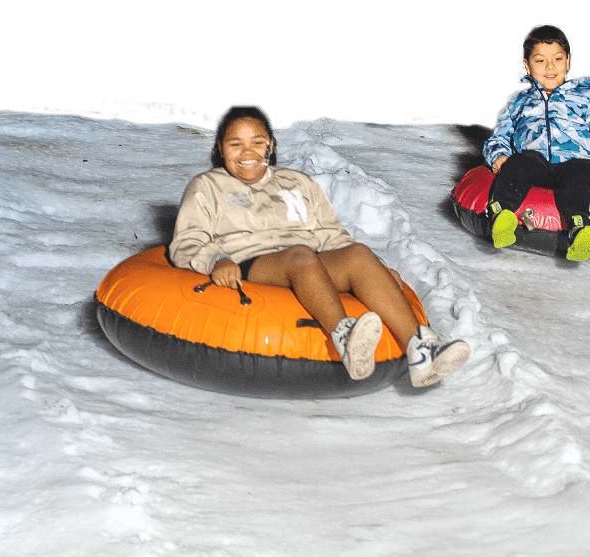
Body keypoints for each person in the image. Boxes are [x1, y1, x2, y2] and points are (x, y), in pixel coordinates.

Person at [169, 104, 469, 387]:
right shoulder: (206, 186)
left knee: (359, 254)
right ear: (221, 148)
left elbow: (332, 236)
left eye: (257, 142)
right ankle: (347, 338)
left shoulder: (297, 183)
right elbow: (186, 241)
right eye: (235, 144)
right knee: (300, 256)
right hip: (250, 264)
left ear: (270, 146)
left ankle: (420, 351)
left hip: (307, 264)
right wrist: (215, 260)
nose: (247, 152)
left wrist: (373, 271)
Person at [483, 23, 590, 262]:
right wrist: (498, 155)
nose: (550, 67)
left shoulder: (586, 97)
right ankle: (501, 214)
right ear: (527, 65)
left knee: (581, 172)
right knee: (518, 162)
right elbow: (500, 135)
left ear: (568, 61)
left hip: (573, 162)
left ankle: (579, 228)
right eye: (539, 61)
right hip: (534, 163)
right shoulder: (519, 102)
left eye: (557, 59)